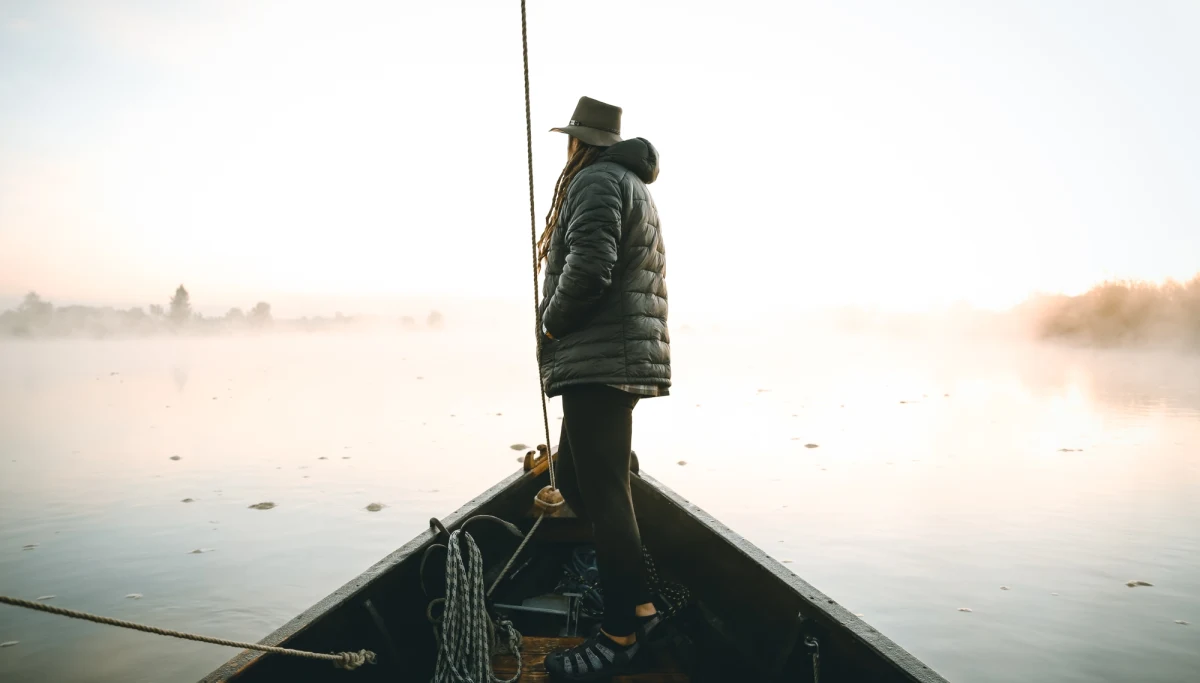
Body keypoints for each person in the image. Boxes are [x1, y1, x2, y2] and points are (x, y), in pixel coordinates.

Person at [535, 95, 671, 681]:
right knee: (586, 484)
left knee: (605, 495)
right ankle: (642, 605)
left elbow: (589, 266)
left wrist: (551, 322)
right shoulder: (629, 181)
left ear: (578, 142)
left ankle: (620, 633)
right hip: (611, 358)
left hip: (597, 360)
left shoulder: (595, 182)